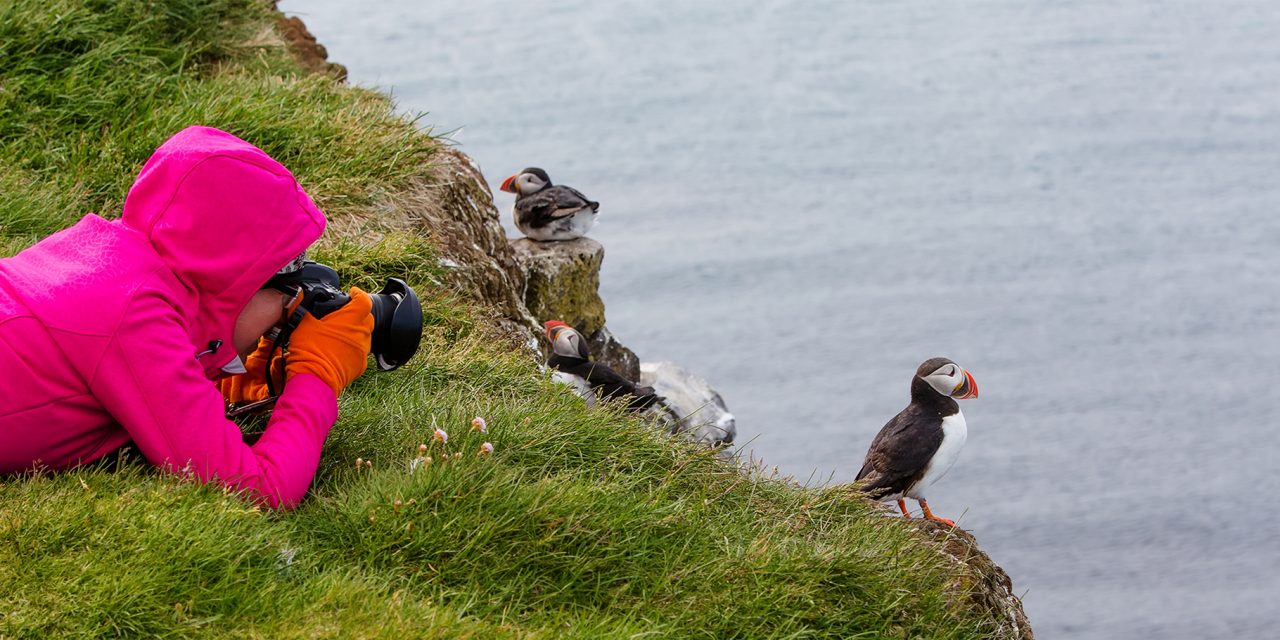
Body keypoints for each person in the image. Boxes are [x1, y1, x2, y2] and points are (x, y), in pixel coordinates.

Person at [0, 126, 373, 509]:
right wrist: (318, 376)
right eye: (284, 297)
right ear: (237, 283)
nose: (282, 315)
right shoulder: (137, 317)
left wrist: (231, 379)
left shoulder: (99, 251)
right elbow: (258, 490)